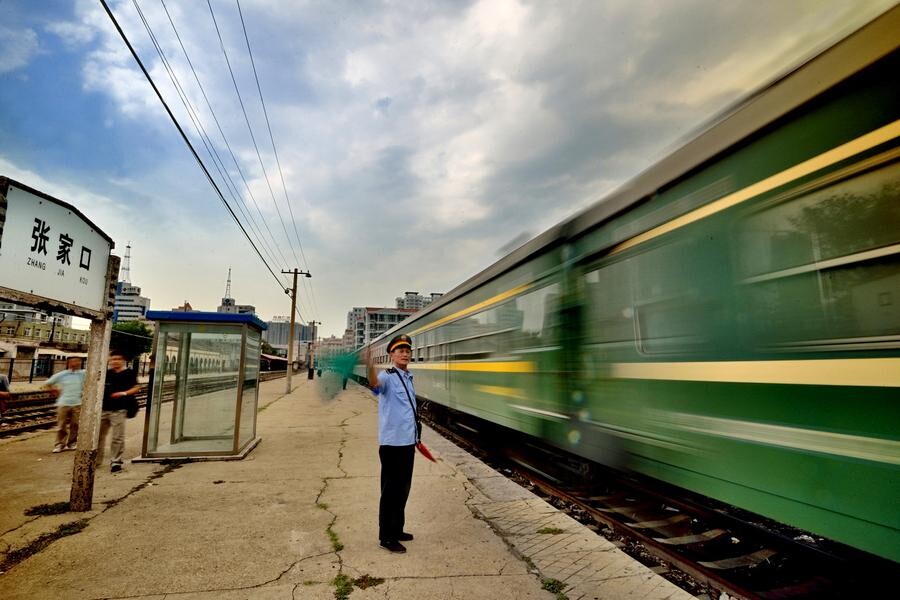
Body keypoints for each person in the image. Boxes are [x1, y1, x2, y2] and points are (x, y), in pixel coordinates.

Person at [366, 333, 418, 554]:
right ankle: (386, 536)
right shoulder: (387, 377)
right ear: (391, 355)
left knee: (403, 489)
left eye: (407, 351)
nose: (405, 354)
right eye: (400, 351)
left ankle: (397, 529)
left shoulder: (408, 377)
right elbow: (374, 385)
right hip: (392, 444)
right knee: (390, 491)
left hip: (407, 442)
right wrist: (369, 364)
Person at [98, 351, 141, 473]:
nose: (115, 361)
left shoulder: (129, 373)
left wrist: (123, 393)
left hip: (119, 409)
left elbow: (137, 387)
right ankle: (95, 460)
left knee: (117, 437)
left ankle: (115, 461)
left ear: (123, 360)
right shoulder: (107, 373)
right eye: (113, 359)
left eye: (118, 359)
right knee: (98, 437)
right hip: (104, 409)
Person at [44, 357, 85, 453]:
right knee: (61, 425)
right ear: (68, 362)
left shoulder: (83, 373)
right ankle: (59, 444)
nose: (76, 363)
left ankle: (72, 443)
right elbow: (47, 383)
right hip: (63, 403)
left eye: (78, 361)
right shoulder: (62, 374)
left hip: (78, 403)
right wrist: (55, 391)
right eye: (73, 361)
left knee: (75, 424)